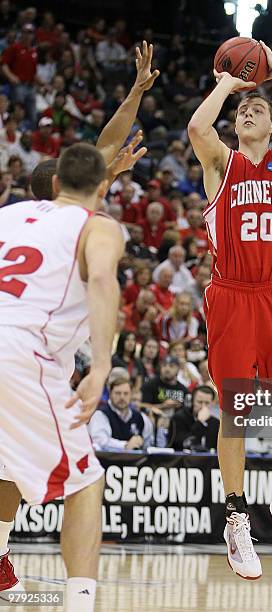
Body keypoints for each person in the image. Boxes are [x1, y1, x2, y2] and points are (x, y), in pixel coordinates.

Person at [188, 40, 272, 578]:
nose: (249, 109)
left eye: (258, 107)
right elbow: (197, 129)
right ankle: (237, 518)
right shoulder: (222, 163)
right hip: (233, 294)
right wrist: (227, 84)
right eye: (243, 110)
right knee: (234, 412)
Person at [0, 143, 124, 611]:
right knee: (85, 482)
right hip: (18, 349)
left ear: (54, 184)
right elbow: (103, 282)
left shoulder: (10, 216)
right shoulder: (99, 226)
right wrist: (104, 364)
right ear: (101, 188)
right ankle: (81, 604)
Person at [88, 377, 154, 451]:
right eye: (118, 393)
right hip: (107, 461)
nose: (122, 397)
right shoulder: (100, 415)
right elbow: (100, 441)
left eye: (126, 393)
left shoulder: (141, 417)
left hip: (135, 461)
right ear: (110, 394)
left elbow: (149, 445)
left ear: (131, 395)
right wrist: (125, 445)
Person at [167, 385, 219, 451]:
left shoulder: (216, 423)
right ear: (192, 402)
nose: (203, 406)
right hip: (184, 459)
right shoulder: (179, 418)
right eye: (200, 402)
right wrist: (200, 423)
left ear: (212, 404)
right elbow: (185, 443)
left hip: (209, 460)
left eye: (207, 403)